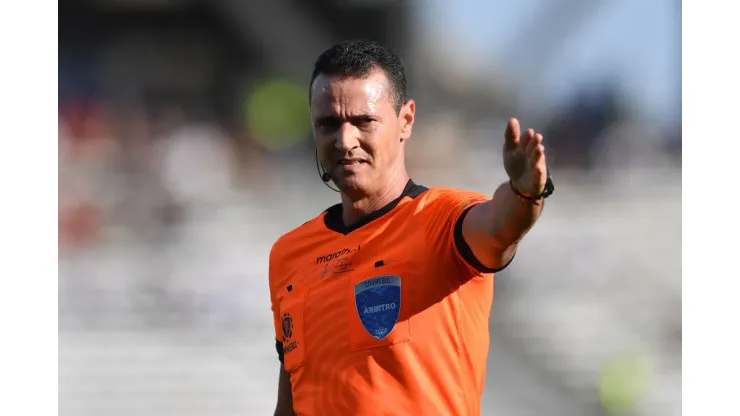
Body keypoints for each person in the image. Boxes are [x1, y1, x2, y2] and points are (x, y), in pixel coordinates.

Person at [268, 40, 554, 416]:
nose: (345, 140)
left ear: (405, 121)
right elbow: (290, 401)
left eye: (363, 121)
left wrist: (525, 191)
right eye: (329, 124)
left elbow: (503, 226)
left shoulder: (442, 220)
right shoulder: (289, 255)